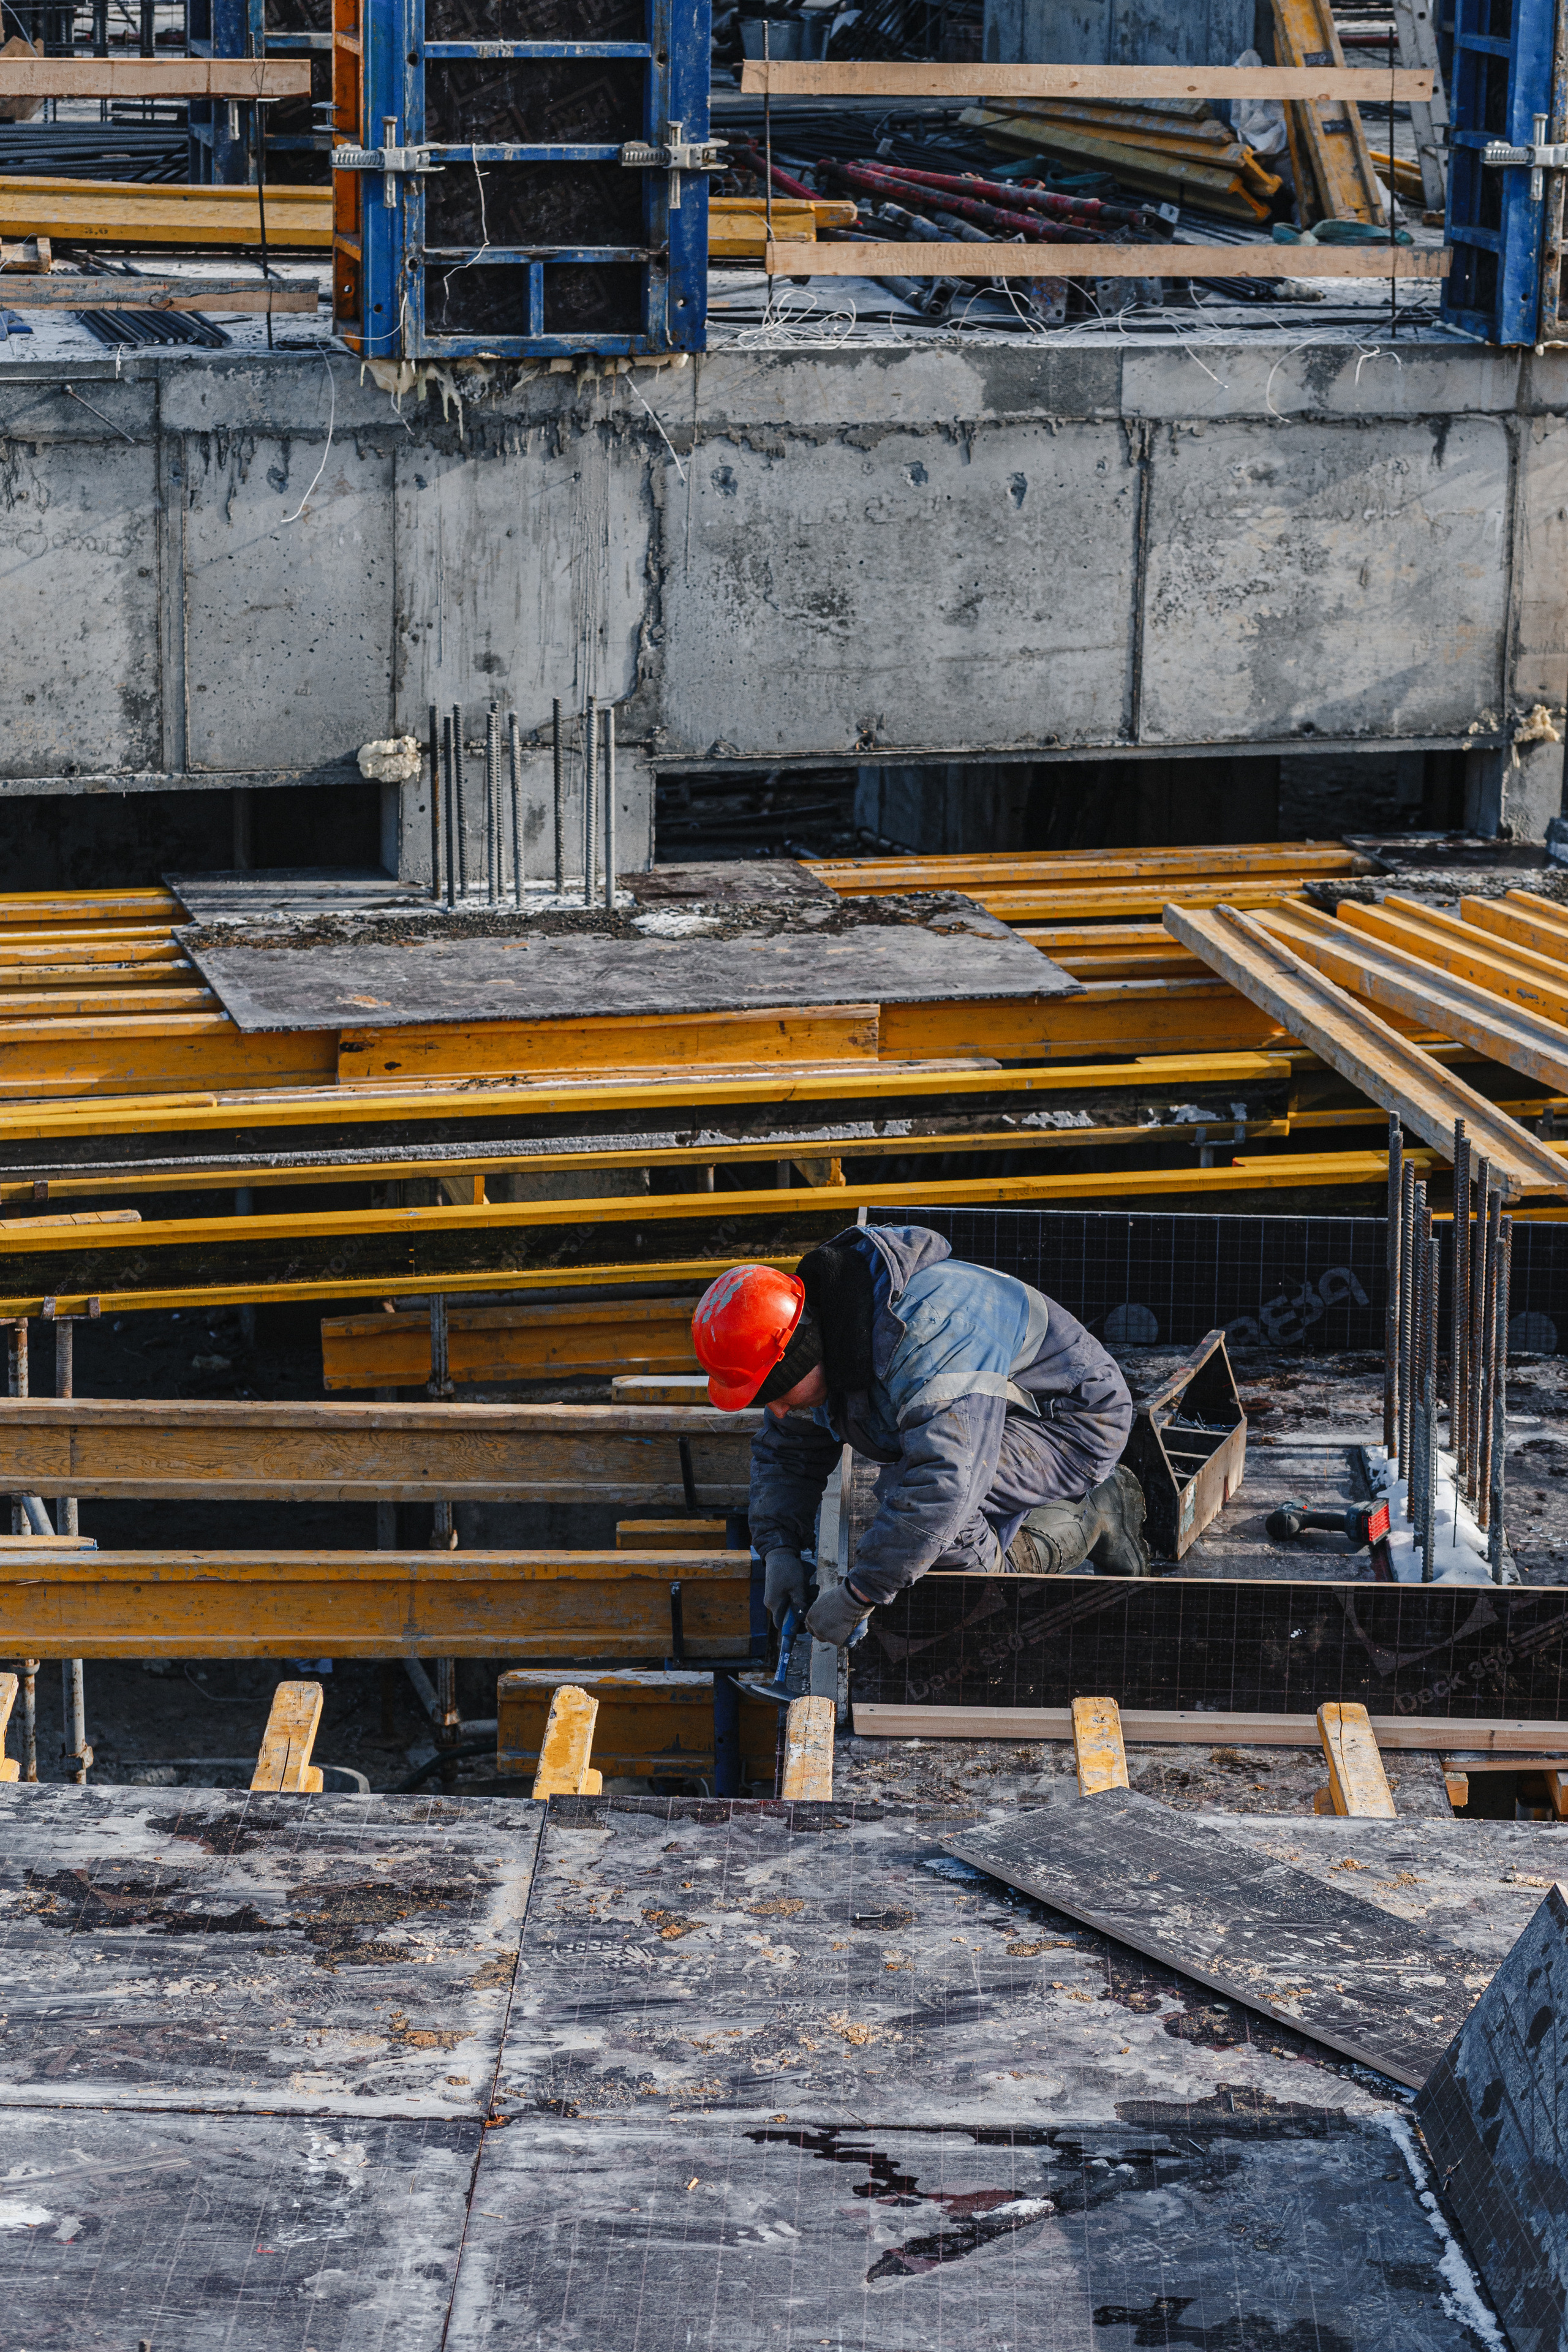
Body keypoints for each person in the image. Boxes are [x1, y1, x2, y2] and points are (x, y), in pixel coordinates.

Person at [690, 1221, 1147, 1651]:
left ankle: (1098, 1515)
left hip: (1072, 1421)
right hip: (997, 1412)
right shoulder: (832, 1326)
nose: (778, 1409)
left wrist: (859, 1593)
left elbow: (945, 1485)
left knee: (936, 1526)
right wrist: (779, 1549)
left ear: (803, 1355)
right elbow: (787, 1451)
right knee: (914, 1520)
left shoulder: (926, 1338)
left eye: (778, 1391)